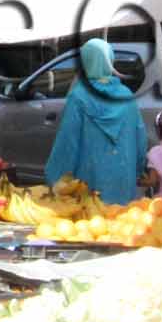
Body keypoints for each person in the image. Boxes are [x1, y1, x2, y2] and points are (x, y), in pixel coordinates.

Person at [46, 36, 145, 203]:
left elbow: (68, 143)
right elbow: (139, 139)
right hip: (123, 178)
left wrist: (57, 178)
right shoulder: (126, 96)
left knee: (92, 227)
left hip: (88, 183)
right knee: (123, 224)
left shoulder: (79, 97)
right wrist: (139, 169)